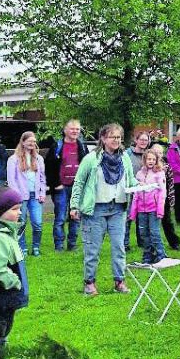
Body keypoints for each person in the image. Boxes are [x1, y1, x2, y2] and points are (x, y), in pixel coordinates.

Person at [70, 123, 137, 296]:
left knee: (119, 247)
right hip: (95, 210)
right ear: (103, 138)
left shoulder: (125, 158)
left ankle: (119, 281)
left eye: (119, 137)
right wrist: (74, 206)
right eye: (112, 137)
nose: (116, 140)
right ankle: (89, 283)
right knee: (92, 249)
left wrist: (143, 186)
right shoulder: (91, 159)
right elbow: (79, 183)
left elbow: (130, 182)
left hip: (118, 209)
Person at [0, 186, 28, 359]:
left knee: (1, 337)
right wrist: (14, 281)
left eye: (19, 208)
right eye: (14, 209)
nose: (19, 212)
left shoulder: (8, 233)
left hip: (6, 303)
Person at [45, 119, 89, 252]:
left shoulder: (82, 146)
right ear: (65, 130)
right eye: (72, 128)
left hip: (77, 188)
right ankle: (59, 246)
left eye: (77, 129)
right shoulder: (56, 146)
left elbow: (87, 166)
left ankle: (72, 245)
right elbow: (49, 168)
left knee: (75, 216)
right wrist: (55, 184)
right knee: (60, 217)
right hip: (61, 188)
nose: (75, 131)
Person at [6, 132, 46, 256]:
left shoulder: (39, 158)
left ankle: (36, 248)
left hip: (36, 196)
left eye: (34, 142)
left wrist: (42, 192)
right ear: (23, 142)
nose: (32, 144)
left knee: (38, 223)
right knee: (21, 222)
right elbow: (11, 180)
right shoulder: (13, 159)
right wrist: (16, 197)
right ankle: (22, 248)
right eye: (30, 141)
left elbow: (42, 178)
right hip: (20, 197)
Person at [129, 150, 167, 264]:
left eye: (153, 159)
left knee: (154, 233)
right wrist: (133, 211)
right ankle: (148, 256)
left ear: (156, 160)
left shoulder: (159, 173)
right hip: (141, 209)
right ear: (144, 160)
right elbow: (136, 193)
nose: (151, 161)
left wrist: (160, 209)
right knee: (143, 233)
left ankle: (161, 255)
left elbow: (162, 192)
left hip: (154, 209)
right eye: (149, 159)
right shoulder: (139, 174)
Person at [150, 144, 180, 251]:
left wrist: (171, 199)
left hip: (164, 198)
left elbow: (171, 183)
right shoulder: (147, 167)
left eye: (160, 152)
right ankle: (150, 244)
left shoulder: (167, 167)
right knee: (150, 222)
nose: (158, 155)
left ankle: (174, 243)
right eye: (155, 152)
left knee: (167, 221)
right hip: (150, 198)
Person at [124, 131, 150, 251]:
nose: (144, 142)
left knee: (142, 217)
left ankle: (142, 241)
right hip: (130, 190)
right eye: (142, 139)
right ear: (136, 140)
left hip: (143, 190)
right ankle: (125, 243)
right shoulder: (127, 154)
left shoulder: (148, 154)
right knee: (128, 217)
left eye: (146, 140)